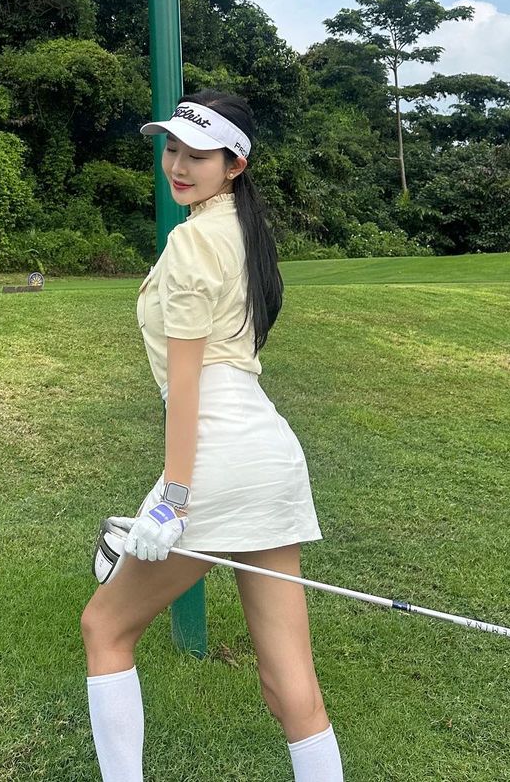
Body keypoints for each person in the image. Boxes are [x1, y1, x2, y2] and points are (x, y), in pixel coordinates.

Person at [80, 90, 343, 781]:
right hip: (270, 455)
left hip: (218, 453)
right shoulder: (243, 231)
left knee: (105, 628)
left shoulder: (194, 238)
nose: (177, 165)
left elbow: (188, 382)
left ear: (235, 165)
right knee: (291, 687)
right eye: (171, 148)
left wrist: (173, 498)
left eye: (197, 155)